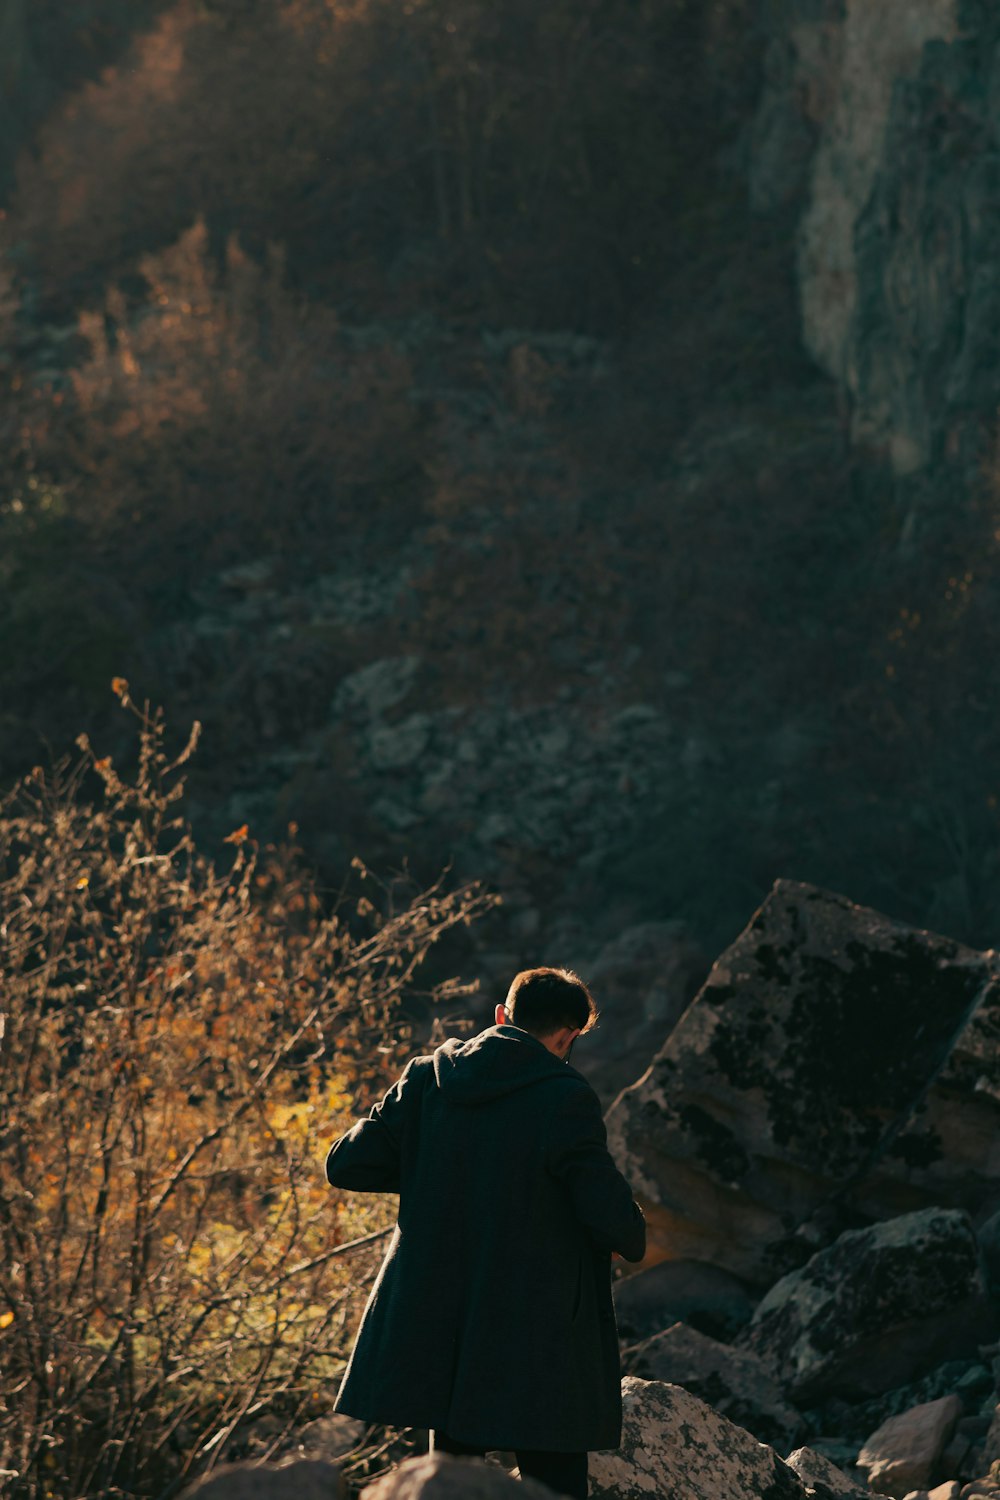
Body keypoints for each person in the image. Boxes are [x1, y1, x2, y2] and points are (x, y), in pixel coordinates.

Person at [324, 966, 646, 1499]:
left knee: (449, 1485)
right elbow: (611, 1216)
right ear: (567, 1037)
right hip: (537, 1336)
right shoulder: (564, 1096)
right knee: (556, 1480)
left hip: (442, 1330)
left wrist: (425, 1160)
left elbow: (346, 1164)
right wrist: (630, 1227)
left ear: (501, 1016)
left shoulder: (427, 1079)